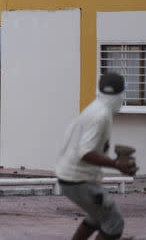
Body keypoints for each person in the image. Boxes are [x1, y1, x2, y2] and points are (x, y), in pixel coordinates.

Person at [55, 72, 137, 240]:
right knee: (114, 222)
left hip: (71, 177)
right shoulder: (101, 115)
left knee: (98, 216)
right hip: (77, 180)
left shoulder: (97, 108)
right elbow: (85, 152)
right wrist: (116, 164)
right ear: (119, 94)